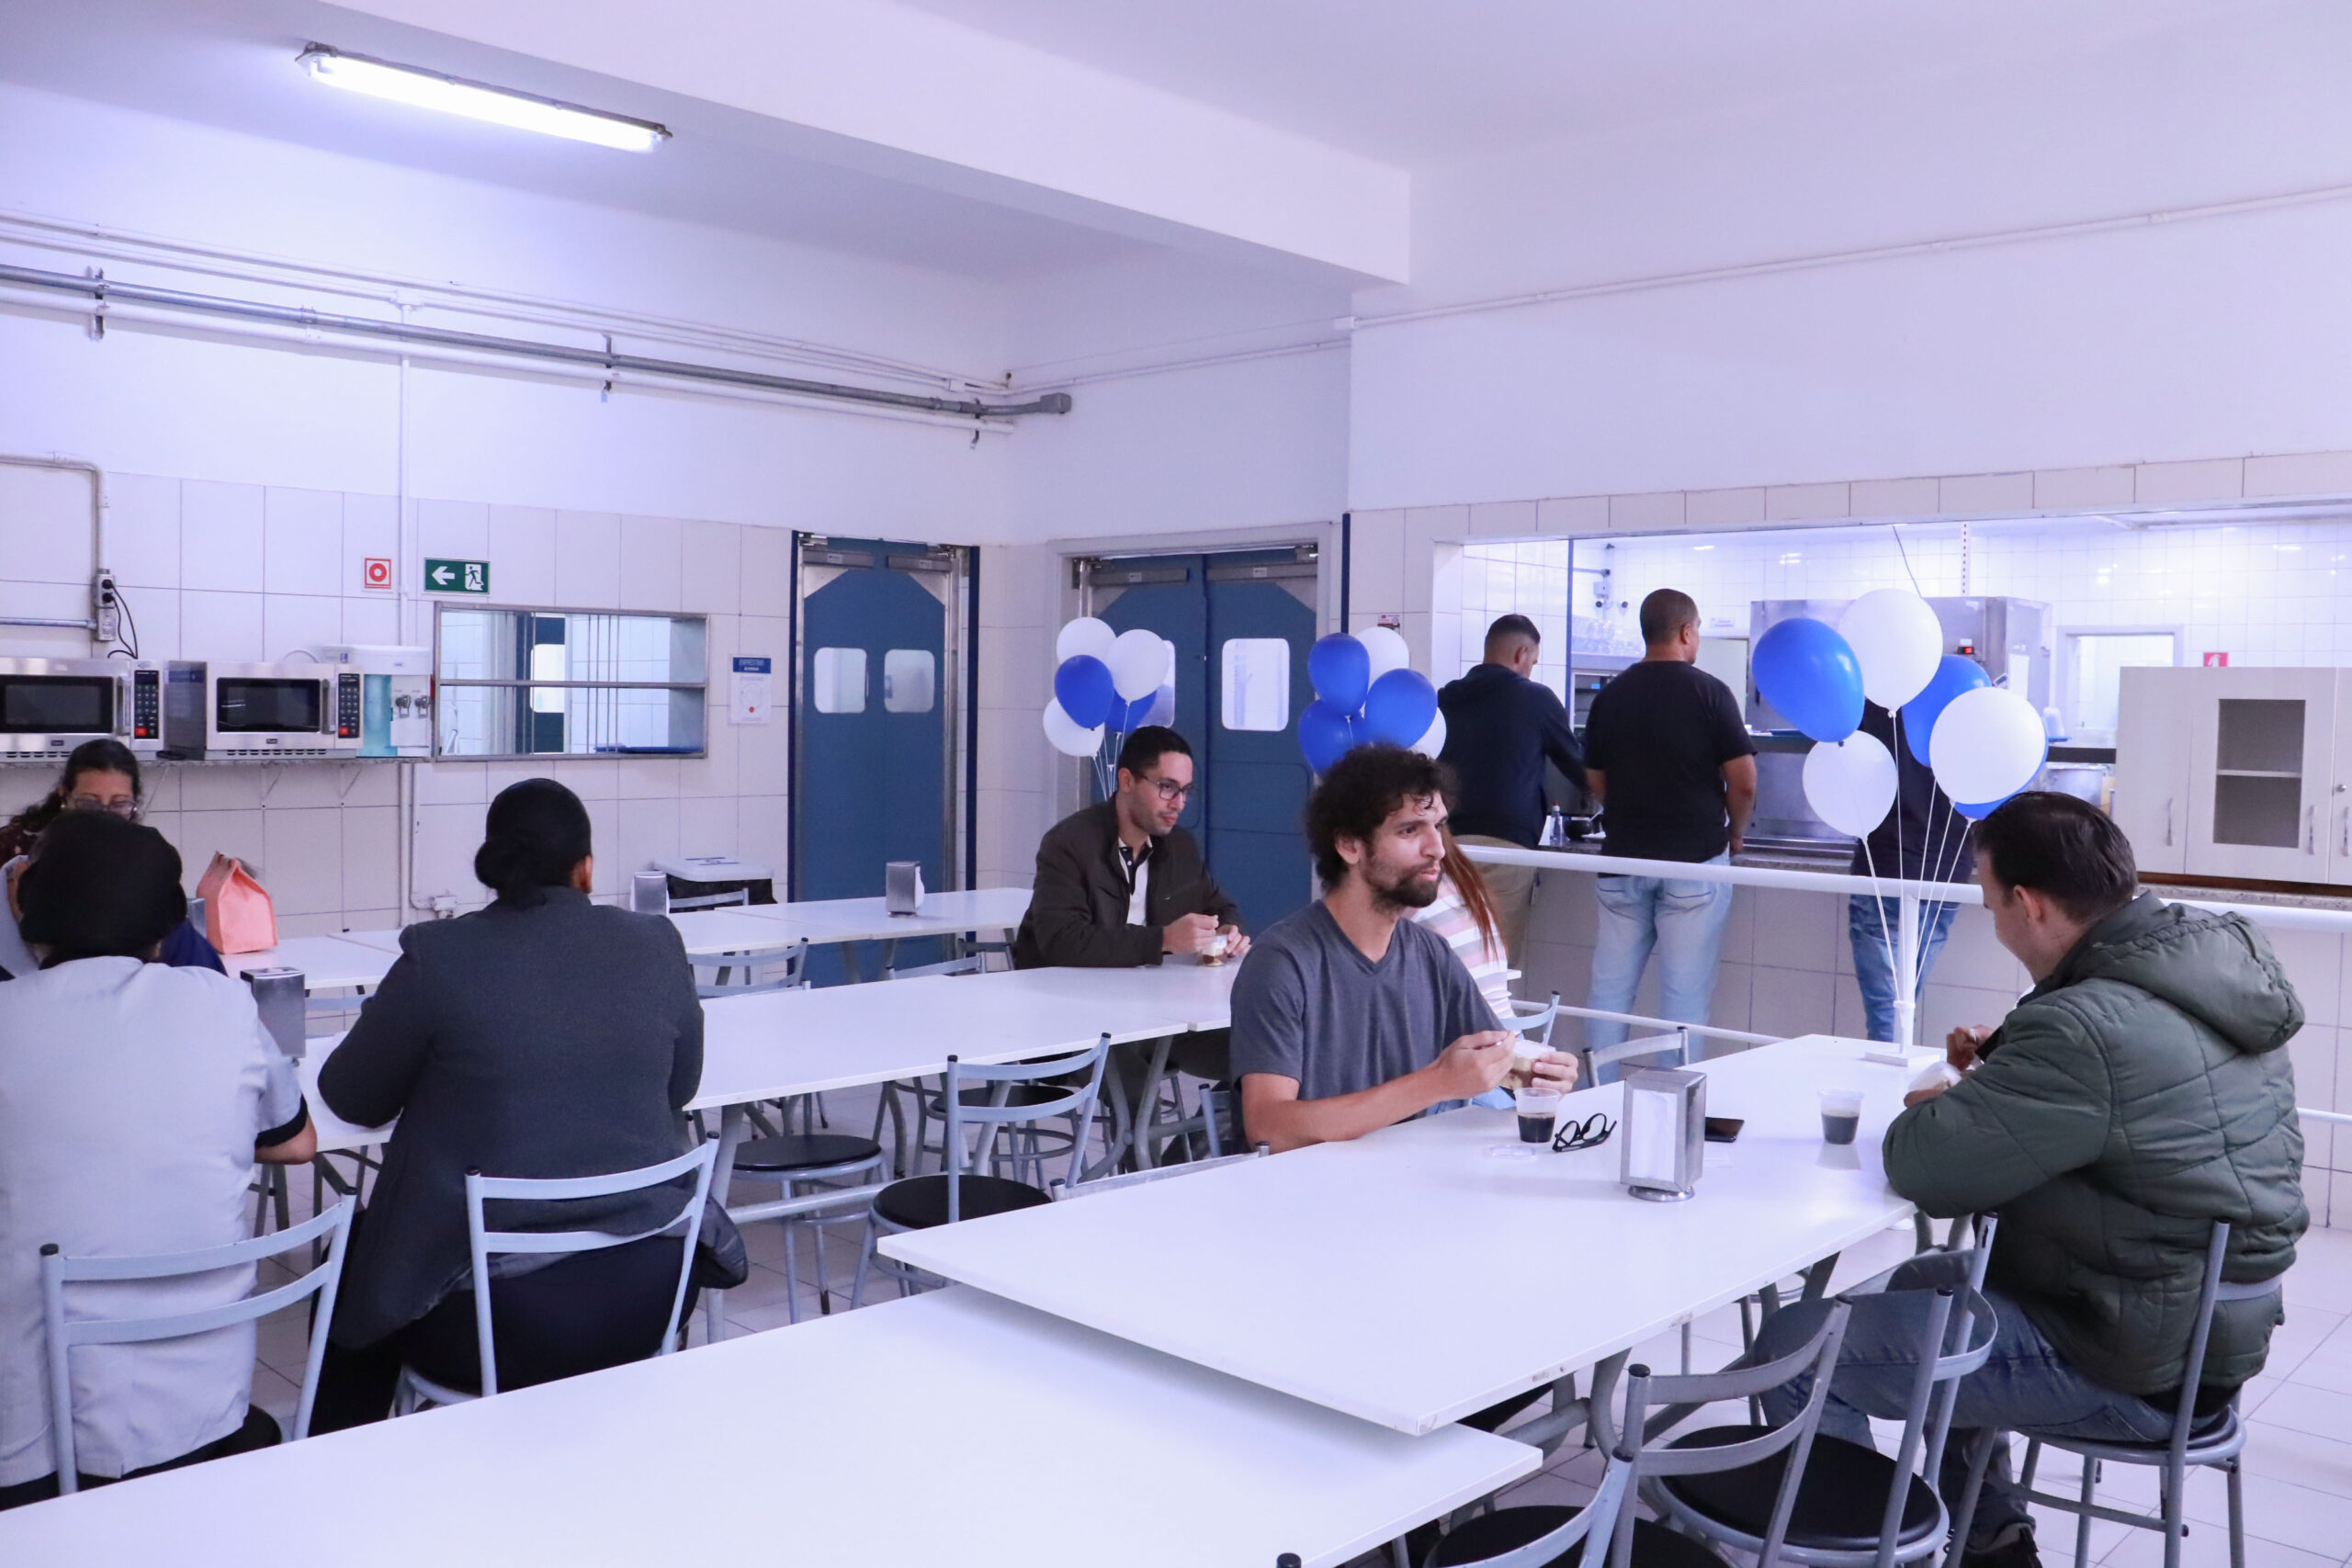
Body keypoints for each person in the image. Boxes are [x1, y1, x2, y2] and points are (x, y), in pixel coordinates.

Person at [1756, 794, 2305, 1568]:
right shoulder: (2207, 970)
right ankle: (1990, 1538)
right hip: (2206, 1330)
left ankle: (1870, 1552)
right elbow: (2121, 1087)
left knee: (1793, 1346)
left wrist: (1957, 1097)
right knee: (1927, 1282)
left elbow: (1924, 1164)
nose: (1993, 922)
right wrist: (2010, 1056)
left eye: (1990, 905)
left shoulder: (2084, 1028)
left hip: (2130, 1358)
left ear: (2030, 904)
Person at [311, 779, 706, 1429]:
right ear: (586, 869)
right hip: (654, 1290)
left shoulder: (440, 955)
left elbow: (351, 1097)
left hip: (495, 1321)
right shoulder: (655, 942)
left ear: (495, 867)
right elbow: (681, 1087)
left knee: (348, 1254)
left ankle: (332, 1463)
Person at [0, 812, 314, 1508]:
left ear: (31, 908)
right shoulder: (223, 1003)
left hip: (37, 1443)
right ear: (167, 923)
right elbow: (297, 1142)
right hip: (206, 1415)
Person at [1230, 745, 1577, 1154]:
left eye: (1439, 826)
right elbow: (1269, 1127)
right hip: (1310, 1187)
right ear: (1349, 845)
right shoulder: (1282, 963)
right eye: (1410, 830)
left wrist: (1536, 1075)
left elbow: (1496, 1059)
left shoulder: (1430, 953)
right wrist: (1437, 1082)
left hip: (1409, 1176)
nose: (1438, 848)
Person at [1577, 589, 1756, 1078]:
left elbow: (1594, 777)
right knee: (1684, 1002)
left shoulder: (1610, 696)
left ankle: (1593, 1100)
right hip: (1694, 864)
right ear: (1685, 632)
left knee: (1608, 995)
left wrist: (1626, 810)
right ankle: (1672, 1107)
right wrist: (1736, 834)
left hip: (1622, 862)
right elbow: (1744, 782)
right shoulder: (1710, 692)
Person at [1012, 726, 1246, 969]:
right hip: (1064, 989)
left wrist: (1227, 930)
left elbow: (1220, 907)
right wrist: (1162, 940)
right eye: (1167, 787)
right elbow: (1062, 941)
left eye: (1185, 791)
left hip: (1147, 987)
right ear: (1126, 781)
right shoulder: (1069, 843)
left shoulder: (1181, 847)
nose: (1179, 804)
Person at [0, 739, 223, 980]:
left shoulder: (140, 861)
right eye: (89, 803)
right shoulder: (17, 848)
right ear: (65, 797)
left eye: (119, 804)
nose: (103, 816)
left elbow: (203, 974)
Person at [1436, 614, 1586, 969]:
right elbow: (1578, 768)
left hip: (1445, 843)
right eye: (1533, 661)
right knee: (1494, 963)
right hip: (1506, 846)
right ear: (1522, 654)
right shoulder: (1536, 698)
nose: (1531, 669)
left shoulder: (1445, 697)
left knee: (1444, 958)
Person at [1847, 696, 1974, 1043]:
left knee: (1887, 1012)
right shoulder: (1965, 697)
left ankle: (1887, 1072)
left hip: (1885, 865)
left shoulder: (1869, 699)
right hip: (1947, 868)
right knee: (1904, 1004)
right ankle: (1896, 1068)